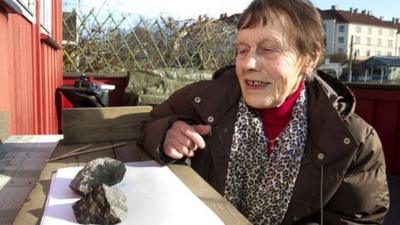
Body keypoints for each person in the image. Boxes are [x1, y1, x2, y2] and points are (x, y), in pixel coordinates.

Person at [140, 0, 390, 224]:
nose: (248, 64)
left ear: (310, 56)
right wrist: (166, 132)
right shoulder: (201, 101)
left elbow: (357, 219)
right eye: (242, 50)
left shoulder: (355, 142)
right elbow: (151, 124)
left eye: (269, 49)